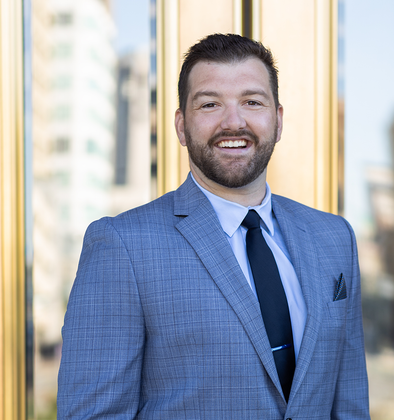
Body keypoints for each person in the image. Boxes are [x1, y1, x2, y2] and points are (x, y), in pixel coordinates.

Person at [57, 33, 370, 419]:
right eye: (210, 104)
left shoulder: (334, 238)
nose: (233, 122)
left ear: (278, 119)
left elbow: (351, 404)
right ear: (181, 126)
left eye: (252, 102)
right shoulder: (121, 246)